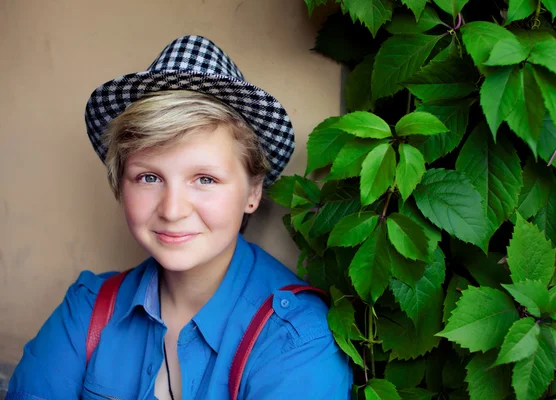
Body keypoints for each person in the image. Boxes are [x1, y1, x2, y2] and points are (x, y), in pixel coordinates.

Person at [7, 35, 352, 399]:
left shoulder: (295, 340)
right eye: (149, 177)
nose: (172, 210)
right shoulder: (88, 309)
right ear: (120, 185)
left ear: (252, 192)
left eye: (205, 179)